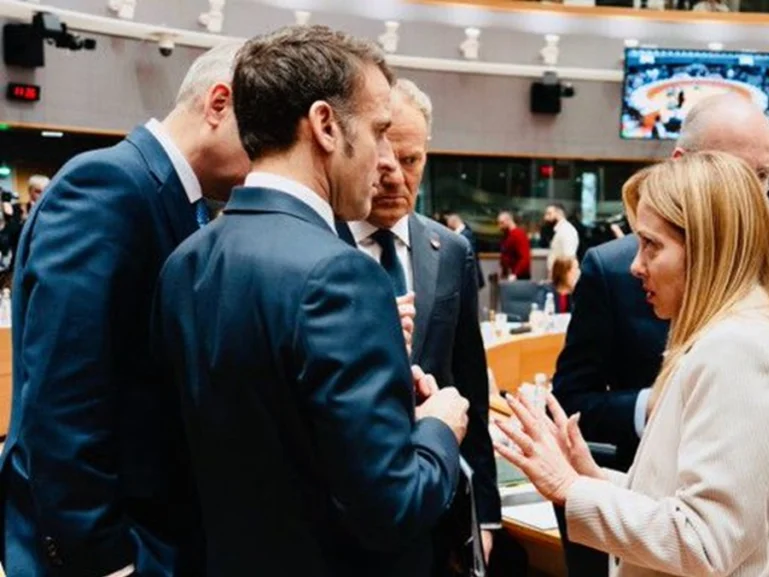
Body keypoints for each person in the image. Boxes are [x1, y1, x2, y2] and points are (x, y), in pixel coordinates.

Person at [152, 26, 470, 577]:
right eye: (378, 132)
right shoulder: (342, 275)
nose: (385, 160)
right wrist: (438, 427)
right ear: (325, 125)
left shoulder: (186, 260)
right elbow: (391, 507)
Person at [496, 152, 769, 577]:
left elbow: (705, 542)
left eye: (652, 245)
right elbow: (679, 501)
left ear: (705, 248)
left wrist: (570, 488)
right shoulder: (731, 338)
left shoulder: (740, 349)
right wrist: (591, 479)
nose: (635, 265)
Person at [0, 43, 249, 577]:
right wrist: (108, 560)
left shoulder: (182, 202)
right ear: (219, 104)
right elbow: (62, 399)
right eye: (265, 135)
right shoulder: (107, 184)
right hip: (105, 546)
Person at [339, 78, 501, 573]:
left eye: (411, 161)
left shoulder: (449, 249)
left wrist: (484, 515)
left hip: (437, 507)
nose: (395, 178)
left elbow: (468, 385)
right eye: (383, 160)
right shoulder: (321, 246)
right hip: (349, 507)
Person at [445, 212, 486, 289]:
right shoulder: (465, 233)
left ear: (452, 222)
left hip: (468, 277)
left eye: (448, 223)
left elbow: (470, 257)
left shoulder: (465, 235)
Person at [543, 203, 580, 276]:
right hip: (558, 277)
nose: (546, 218)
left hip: (563, 278)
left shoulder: (567, 231)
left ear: (559, 213)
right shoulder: (560, 231)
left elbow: (568, 259)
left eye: (549, 214)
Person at [498, 210, 531, 280]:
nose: (500, 226)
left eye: (502, 223)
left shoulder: (519, 234)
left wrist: (515, 274)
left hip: (518, 276)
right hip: (510, 275)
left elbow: (525, 258)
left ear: (508, 220)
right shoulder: (506, 236)